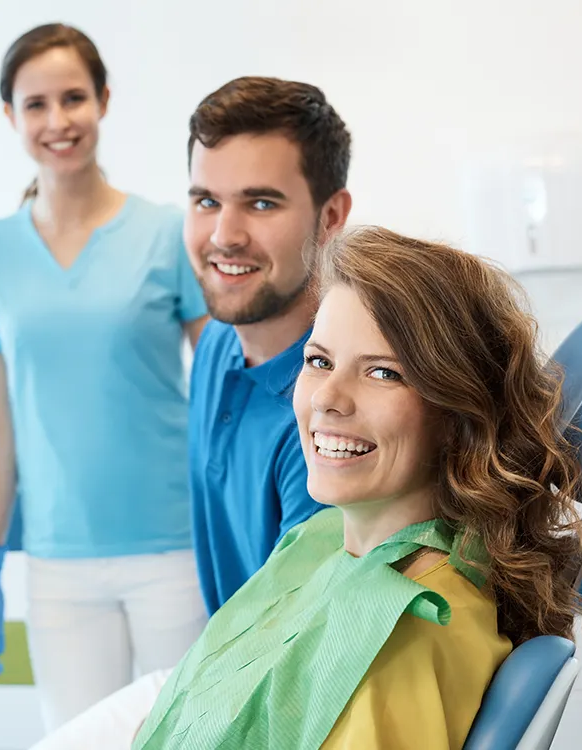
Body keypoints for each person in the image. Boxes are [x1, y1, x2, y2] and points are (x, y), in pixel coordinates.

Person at [29, 225, 582, 749]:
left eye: (382, 372)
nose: (327, 398)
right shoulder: (322, 540)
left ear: (457, 416)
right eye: (318, 360)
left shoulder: (408, 625)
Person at [0, 23, 211, 732]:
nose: (58, 121)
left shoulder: (165, 232)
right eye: (36, 104)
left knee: (188, 737)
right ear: (12, 116)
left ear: (103, 100)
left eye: (73, 98)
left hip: (173, 550)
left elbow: (220, 384)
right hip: (59, 564)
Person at [183, 76, 354, 614]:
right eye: (207, 201)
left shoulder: (336, 415)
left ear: (330, 217)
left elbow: (308, 653)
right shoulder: (216, 344)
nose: (224, 235)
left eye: (260, 203)